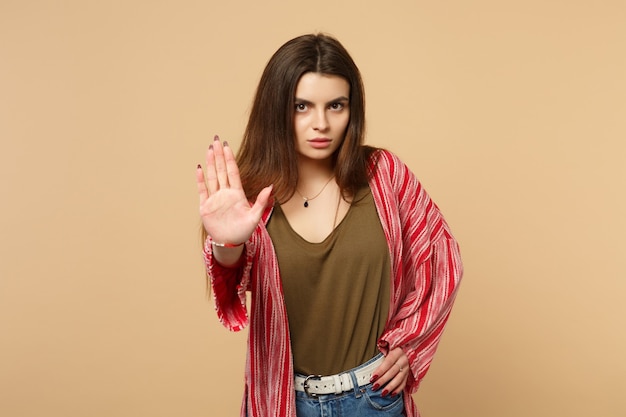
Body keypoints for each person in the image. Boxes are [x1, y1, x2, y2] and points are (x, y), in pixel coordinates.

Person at [195, 33, 462, 417]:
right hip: (285, 402)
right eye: (302, 106)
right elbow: (233, 283)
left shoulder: (384, 175)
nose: (321, 123)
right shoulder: (250, 197)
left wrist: (408, 344)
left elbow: (443, 261)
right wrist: (227, 242)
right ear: (276, 110)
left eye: (336, 105)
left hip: (374, 398)